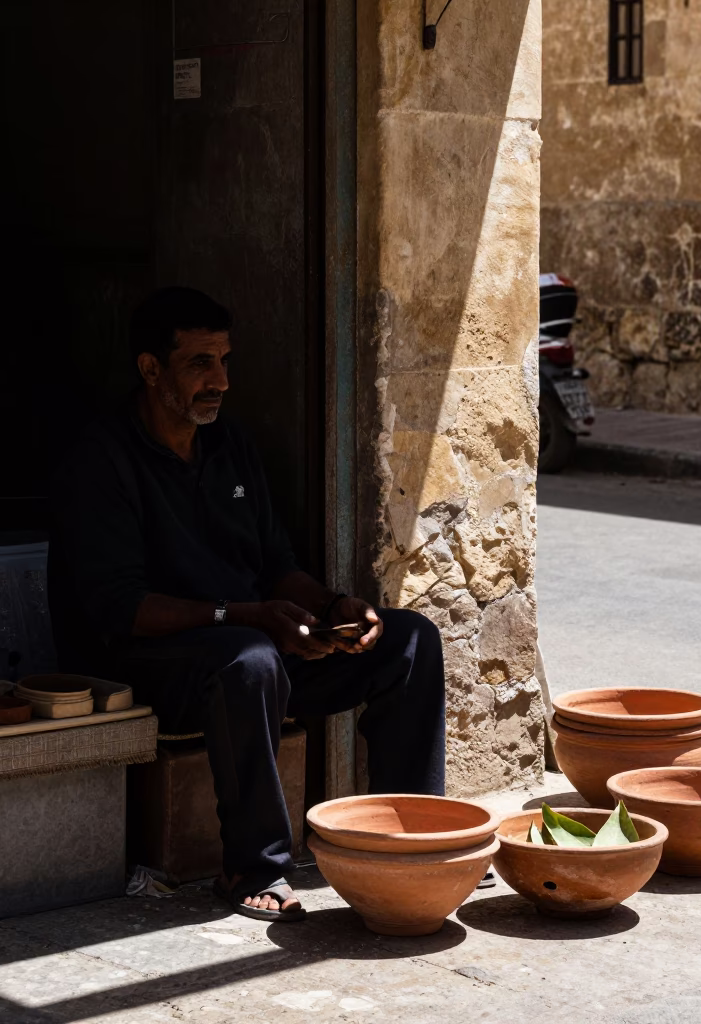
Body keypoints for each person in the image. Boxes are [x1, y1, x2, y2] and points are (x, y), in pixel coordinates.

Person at [48, 287, 446, 921]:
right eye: (200, 363)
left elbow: (275, 567)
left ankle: (416, 836)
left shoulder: (229, 446)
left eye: (226, 361)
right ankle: (251, 867)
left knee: (410, 639)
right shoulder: (102, 459)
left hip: (250, 646)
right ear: (151, 370)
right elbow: (120, 607)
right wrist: (246, 617)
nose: (221, 381)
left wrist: (335, 605)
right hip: (145, 664)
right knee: (250, 659)